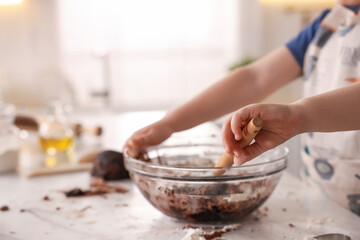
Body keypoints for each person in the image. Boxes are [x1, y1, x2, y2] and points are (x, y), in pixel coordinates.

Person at [124, 1, 360, 215]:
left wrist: (299, 116)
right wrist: (170, 123)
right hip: (321, 200)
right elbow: (253, 79)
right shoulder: (327, 25)